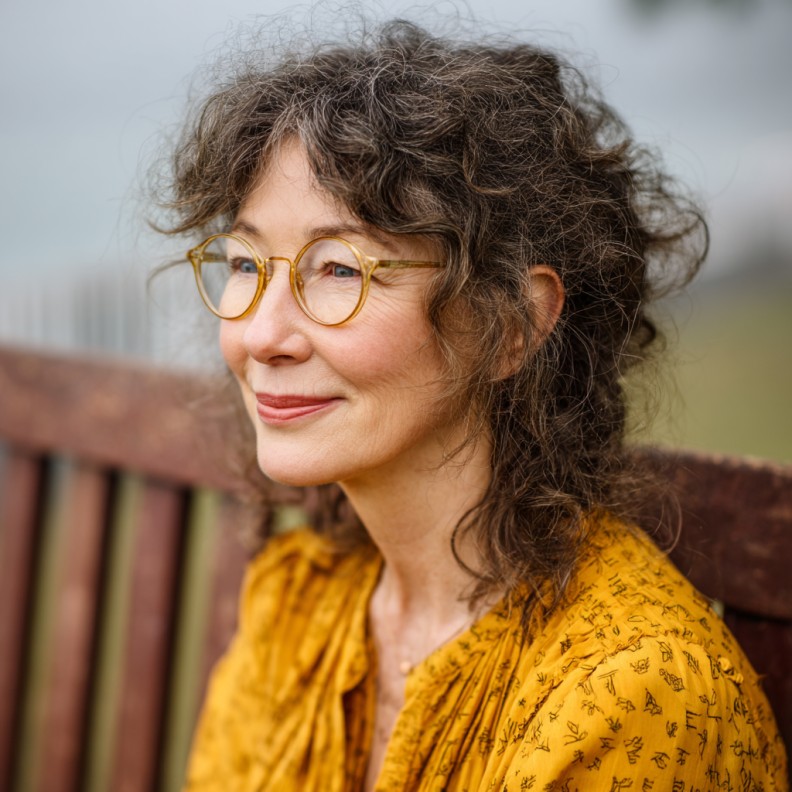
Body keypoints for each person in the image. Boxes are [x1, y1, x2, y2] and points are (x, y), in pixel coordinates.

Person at [157, 19, 788, 790]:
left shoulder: (631, 696)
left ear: (510, 326)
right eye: (246, 262)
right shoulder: (300, 608)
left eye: (340, 271)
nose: (260, 335)